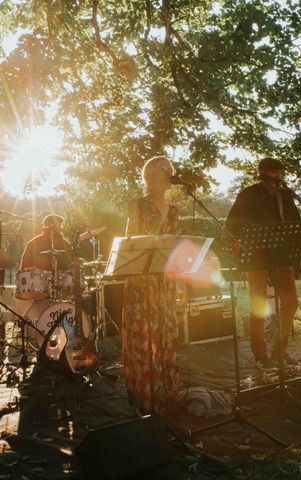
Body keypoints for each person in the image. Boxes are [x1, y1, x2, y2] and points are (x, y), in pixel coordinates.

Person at [225, 157, 301, 371]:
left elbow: (296, 223)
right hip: (256, 259)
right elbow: (231, 226)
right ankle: (260, 355)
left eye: (280, 173)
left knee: (291, 302)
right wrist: (241, 250)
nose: (277, 177)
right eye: (274, 173)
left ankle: (279, 350)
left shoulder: (285, 195)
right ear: (262, 173)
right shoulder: (248, 194)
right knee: (258, 306)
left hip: (281, 258)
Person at [123, 156, 179, 415]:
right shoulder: (138, 205)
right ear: (150, 176)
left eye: (169, 168)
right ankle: (144, 393)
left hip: (165, 280)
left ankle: (166, 392)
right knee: (143, 333)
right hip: (142, 279)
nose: (168, 172)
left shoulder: (174, 209)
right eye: (161, 169)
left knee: (164, 332)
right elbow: (129, 242)